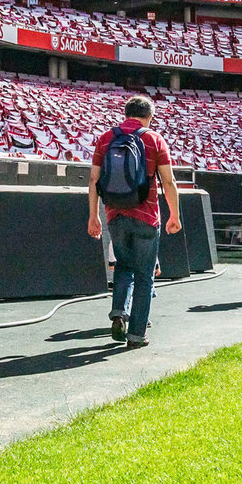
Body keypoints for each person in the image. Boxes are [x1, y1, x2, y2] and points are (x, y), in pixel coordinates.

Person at [88, 94, 181, 349]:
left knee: (123, 268)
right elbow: (168, 181)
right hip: (146, 216)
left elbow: (94, 181)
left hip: (114, 214)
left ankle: (118, 312)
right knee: (144, 276)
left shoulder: (106, 138)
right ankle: (137, 335)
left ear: (126, 113)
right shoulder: (153, 139)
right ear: (149, 116)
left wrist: (93, 216)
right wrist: (174, 215)